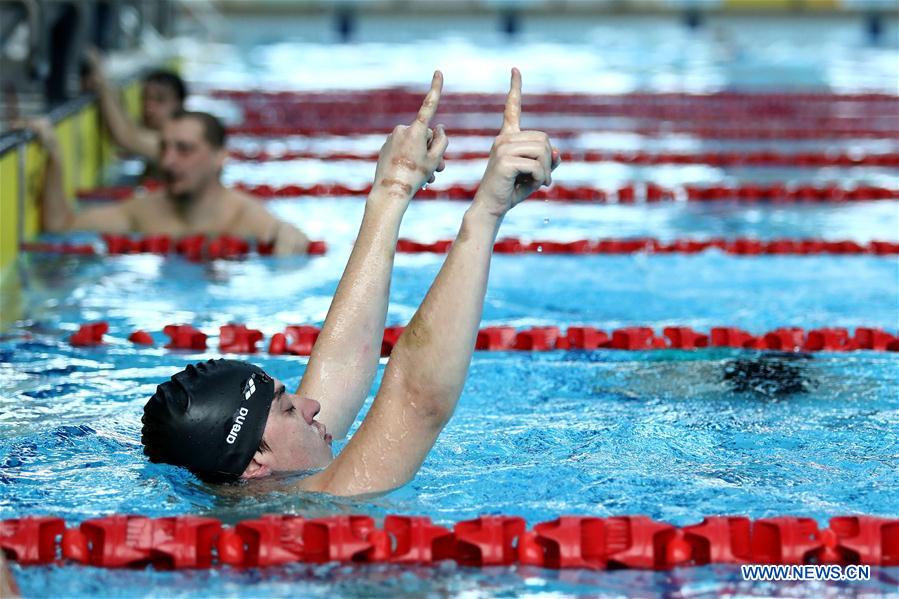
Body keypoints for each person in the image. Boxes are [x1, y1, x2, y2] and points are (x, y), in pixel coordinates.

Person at [141, 69, 561, 496]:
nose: (313, 404)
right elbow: (417, 403)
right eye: (289, 409)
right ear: (255, 463)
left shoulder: (269, 483)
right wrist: (486, 212)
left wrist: (392, 189)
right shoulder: (320, 504)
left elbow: (342, 365)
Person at [29, 110, 310, 254]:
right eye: (164, 148)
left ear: (219, 157)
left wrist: (288, 235)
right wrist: (54, 155)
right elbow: (60, 226)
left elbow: (291, 240)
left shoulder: (247, 219)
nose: (168, 162)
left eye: (184, 149)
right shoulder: (142, 212)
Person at [83, 48, 186, 162]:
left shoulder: (176, 143)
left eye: (160, 100)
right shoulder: (152, 131)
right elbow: (128, 127)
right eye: (144, 98)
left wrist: (102, 82)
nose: (149, 107)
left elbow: (124, 137)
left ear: (179, 104)